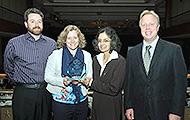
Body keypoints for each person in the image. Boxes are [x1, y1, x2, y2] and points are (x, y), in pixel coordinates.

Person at [124, 10, 187, 120]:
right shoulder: (132, 52)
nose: (147, 28)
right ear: (140, 28)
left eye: (151, 24)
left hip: (165, 111)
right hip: (138, 111)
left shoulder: (173, 50)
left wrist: (176, 111)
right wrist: (128, 106)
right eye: (144, 25)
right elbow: (129, 82)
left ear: (158, 27)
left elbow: (180, 83)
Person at [3, 8, 57, 120]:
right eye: (32, 21)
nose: (36, 24)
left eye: (39, 21)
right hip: (23, 93)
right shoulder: (14, 43)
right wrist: (20, 81)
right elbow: (8, 67)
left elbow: (55, 67)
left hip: (45, 93)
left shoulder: (51, 44)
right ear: (26, 24)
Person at [44, 25, 92, 120]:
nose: (72, 41)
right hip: (61, 103)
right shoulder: (55, 55)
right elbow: (47, 77)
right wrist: (62, 81)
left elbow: (90, 75)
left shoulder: (87, 56)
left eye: (75, 37)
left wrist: (85, 81)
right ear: (64, 40)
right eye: (69, 38)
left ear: (79, 39)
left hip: (81, 103)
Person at [90, 26, 126, 120]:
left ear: (112, 41)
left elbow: (114, 89)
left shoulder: (120, 61)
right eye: (100, 40)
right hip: (97, 105)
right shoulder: (95, 59)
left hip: (110, 107)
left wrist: (91, 83)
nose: (102, 44)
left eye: (106, 40)